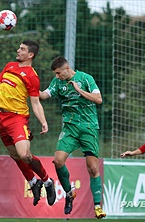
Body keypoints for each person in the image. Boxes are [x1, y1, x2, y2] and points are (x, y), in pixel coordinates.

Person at [0, 40, 56, 207]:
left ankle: (48, 182)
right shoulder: (9, 66)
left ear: (30, 55)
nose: (18, 50)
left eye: (22, 49)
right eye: (19, 48)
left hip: (18, 118)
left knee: (24, 155)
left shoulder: (32, 76)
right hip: (2, 118)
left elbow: (35, 103)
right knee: (15, 156)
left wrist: (43, 122)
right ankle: (33, 181)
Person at [39, 57, 106, 218]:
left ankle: (97, 206)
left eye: (58, 73)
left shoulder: (85, 78)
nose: (57, 76)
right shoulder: (57, 83)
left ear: (67, 68)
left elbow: (98, 99)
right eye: (55, 74)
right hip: (70, 128)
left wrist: (79, 90)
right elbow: (43, 95)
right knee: (58, 160)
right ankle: (69, 193)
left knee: (93, 168)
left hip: (89, 128)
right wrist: (28, 84)